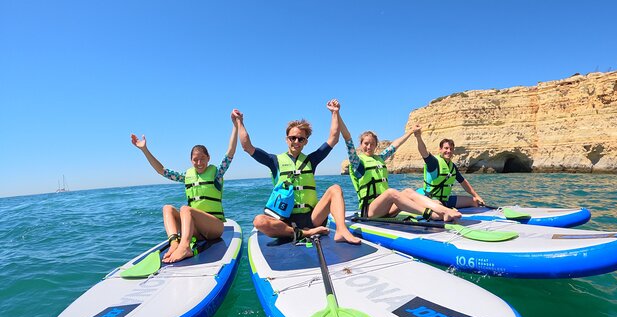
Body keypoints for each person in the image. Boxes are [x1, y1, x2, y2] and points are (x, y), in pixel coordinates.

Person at [236, 100, 361, 244]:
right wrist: (239, 122)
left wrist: (334, 113)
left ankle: (341, 230)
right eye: (292, 138)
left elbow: (334, 138)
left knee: (335, 189)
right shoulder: (274, 161)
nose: (296, 141)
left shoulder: (311, 160)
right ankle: (304, 233)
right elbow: (247, 146)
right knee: (259, 221)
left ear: (305, 142)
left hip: (313, 217)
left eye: (301, 139)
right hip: (286, 221)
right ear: (286, 139)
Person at [130, 110, 239, 263]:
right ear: (191, 160)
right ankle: (174, 242)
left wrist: (235, 126)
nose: (199, 163)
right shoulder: (186, 176)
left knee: (185, 209)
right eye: (195, 160)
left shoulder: (217, 174)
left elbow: (230, 153)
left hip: (215, 228)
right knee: (167, 208)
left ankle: (185, 246)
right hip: (196, 230)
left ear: (208, 158)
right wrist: (144, 149)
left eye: (202, 159)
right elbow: (162, 171)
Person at [339, 112, 461, 221]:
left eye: (372, 144)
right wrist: (337, 113)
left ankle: (441, 209)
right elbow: (347, 138)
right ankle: (431, 214)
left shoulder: (379, 159)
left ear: (376, 145)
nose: (369, 147)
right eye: (366, 143)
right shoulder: (357, 162)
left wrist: (411, 132)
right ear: (360, 144)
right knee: (391, 192)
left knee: (408, 191)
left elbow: (395, 145)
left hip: (386, 209)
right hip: (370, 211)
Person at [414, 132, 484, 208]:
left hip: (445, 200)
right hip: (430, 199)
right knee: (441, 207)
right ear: (440, 149)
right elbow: (424, 152)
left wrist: (477, 196)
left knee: (474, 201)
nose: (449, 151)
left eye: (451, 149)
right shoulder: (434, 163)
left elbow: (463, 182)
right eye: (446, 148)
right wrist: (418, 137)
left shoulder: (452, 167)